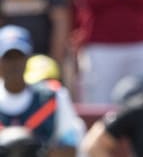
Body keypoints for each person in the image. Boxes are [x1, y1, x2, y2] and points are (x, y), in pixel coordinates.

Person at [0, 25, 83, 157]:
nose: (14, 64)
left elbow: (73, 146)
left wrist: (40, 150)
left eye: (19, 57)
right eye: (8, 58)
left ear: (28, 59)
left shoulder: (53, 96)